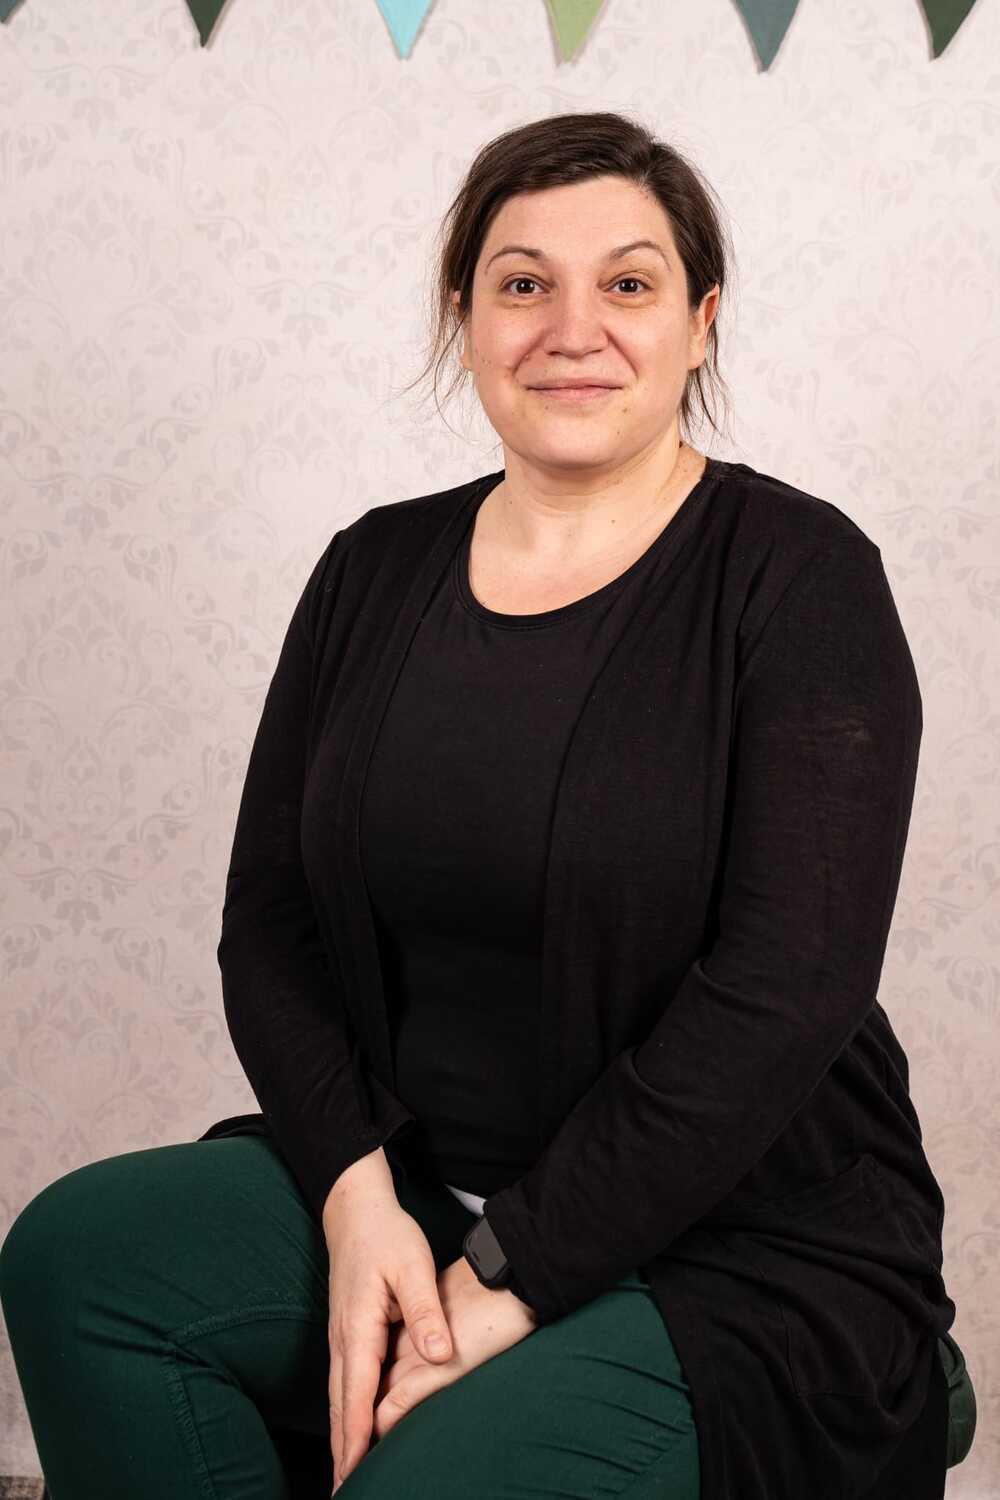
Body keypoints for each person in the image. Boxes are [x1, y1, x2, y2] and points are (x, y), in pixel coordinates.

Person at [0, 111, 957, 1500]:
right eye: (523, 284)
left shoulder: (801, 580)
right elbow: (269, 928)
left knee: (425, 1483)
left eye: (627, 283)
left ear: (700, 322)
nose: (574, 329)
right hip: (417, 1189)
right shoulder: (370, 570)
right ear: (465, 318)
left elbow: (787, 988)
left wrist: (504, 1276)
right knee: (81, 1261)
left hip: (734, 1244)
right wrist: (356, 1198)